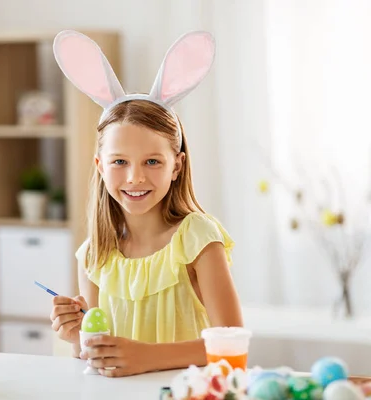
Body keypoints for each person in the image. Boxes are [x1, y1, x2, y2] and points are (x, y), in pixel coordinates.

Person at [48, 30, 243, 377]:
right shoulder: (94, 255)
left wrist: (145, 357)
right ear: (100, 167)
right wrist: (78, 337)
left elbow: (232, 347)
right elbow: (98, 355)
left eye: (152, 162)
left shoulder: (197, 238)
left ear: (176, 166)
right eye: (120, 162)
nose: (135, 178)